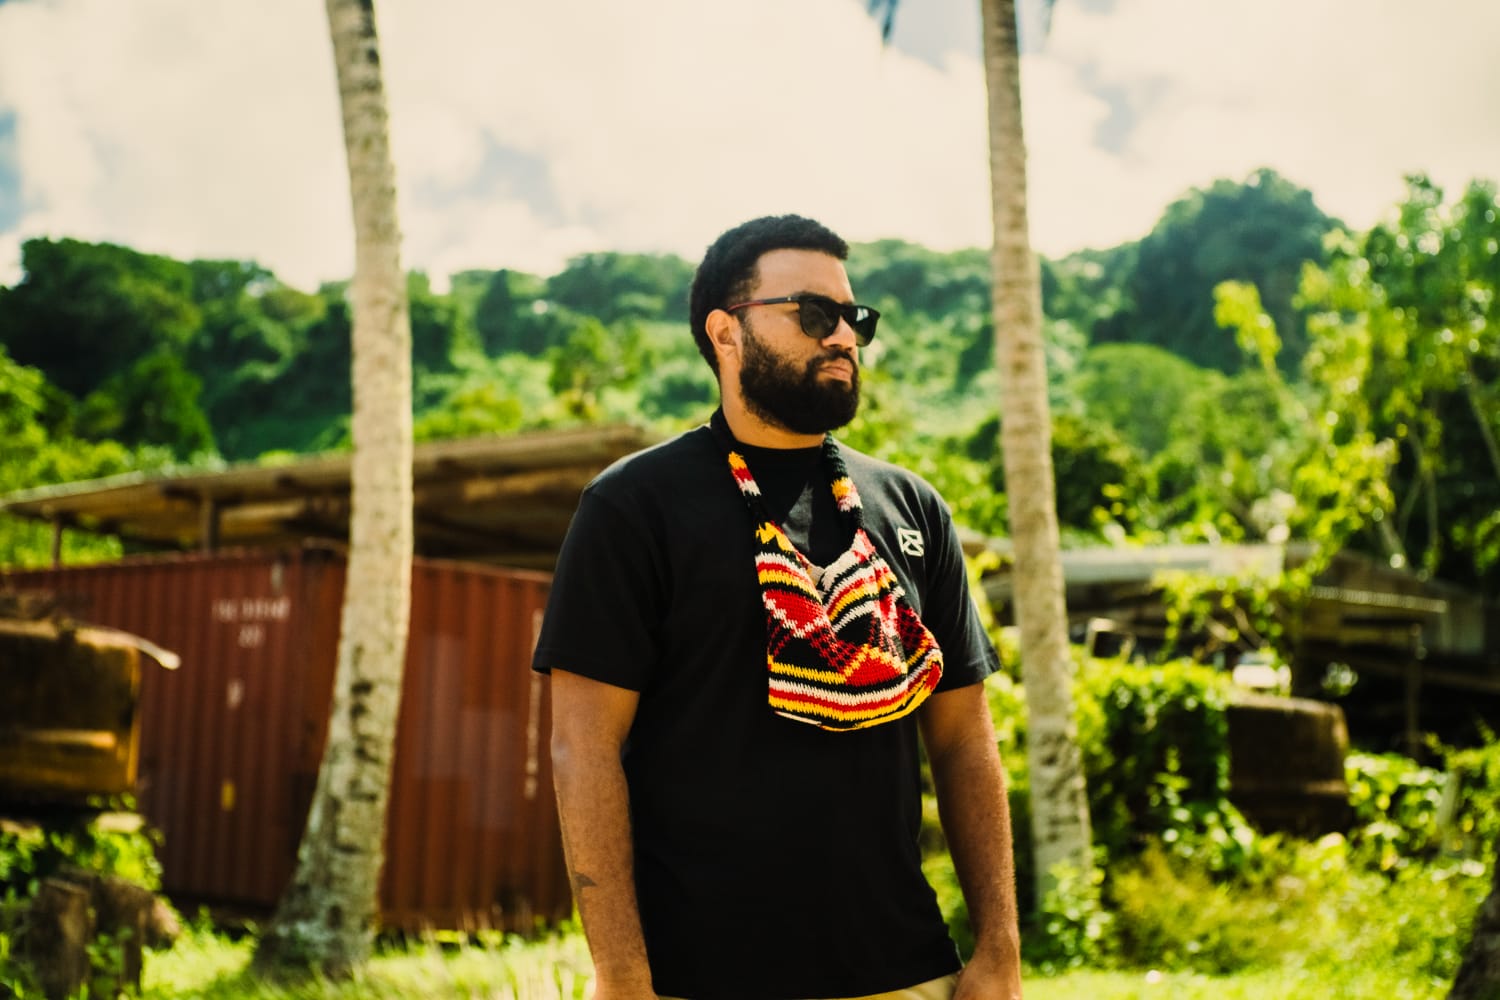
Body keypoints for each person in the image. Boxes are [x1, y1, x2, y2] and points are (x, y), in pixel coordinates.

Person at [534, 214, 1022, 1000]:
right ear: (725, 332)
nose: (844, 337)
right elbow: (583, 747)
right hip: (697, 977)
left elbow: (964, 739)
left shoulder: (911, 508)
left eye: (854, 318)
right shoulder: (634, 507)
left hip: (904, 971)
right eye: (815, 314)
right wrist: (620, 972)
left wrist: (999, 949)